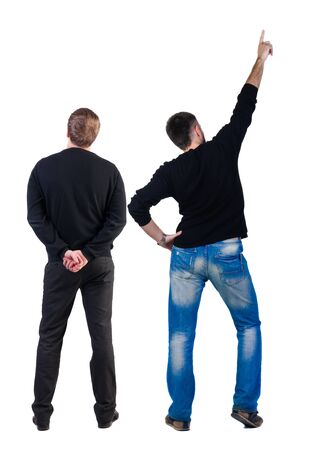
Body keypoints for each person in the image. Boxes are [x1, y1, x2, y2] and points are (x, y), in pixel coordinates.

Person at [128, 31, 273, 430]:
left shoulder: (170, 172)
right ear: (196, 130)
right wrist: (260, 59)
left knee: (180, 337)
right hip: (226, 255)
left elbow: (136, 205)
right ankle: (244, 406)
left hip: (186, 257)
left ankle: (179, 415)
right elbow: (245, 105)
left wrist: (161, 238)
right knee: (248, 327)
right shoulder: (223, 147)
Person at [27, 108, 126, 430]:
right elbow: (117, 220)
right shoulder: (109, 171)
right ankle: (105, 413)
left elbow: (35, 216)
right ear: (94, 136)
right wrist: (88, 252)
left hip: (60, 265)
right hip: (98, 266)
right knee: (101, 337)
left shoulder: (43, 168)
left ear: (68, 132)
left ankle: (42, 415)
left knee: (50, 337)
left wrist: (63, 251)